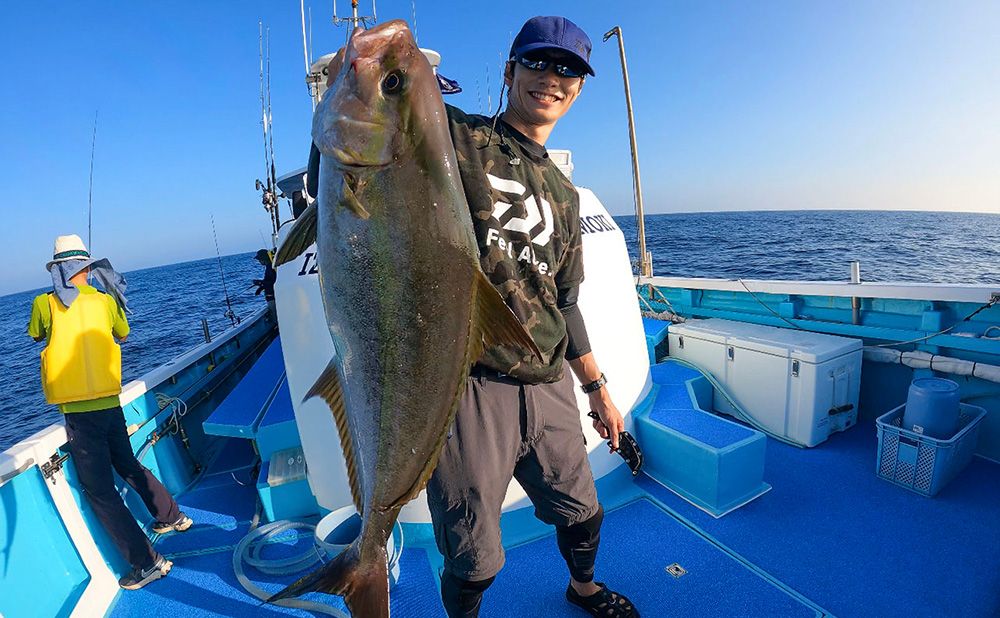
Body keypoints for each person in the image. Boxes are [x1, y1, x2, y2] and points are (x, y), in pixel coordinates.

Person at [427, 16, 639, 618]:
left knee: (583, 511)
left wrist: (597, 388)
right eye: (539, 63)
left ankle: (583, 588)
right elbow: (371, 133)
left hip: (549, 383)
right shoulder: (458, 137)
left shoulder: (566, 195)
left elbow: (564, 302)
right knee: (475, 556)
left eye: (568, 69)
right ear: (510, 71)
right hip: (470, 384)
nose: (553, 78)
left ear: (578, 88)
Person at [27, 234, 192, 591]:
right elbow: (123, 333)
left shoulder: (44, 302)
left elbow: (35, 335)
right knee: (128, 464)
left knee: (99, 490)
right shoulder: (105, 300)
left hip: (80, 414)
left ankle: (147, 563)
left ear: (58, 269)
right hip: (110, 403)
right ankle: (171, 516)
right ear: (87, 266)